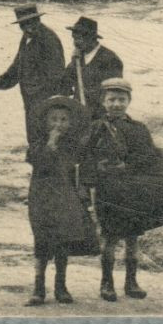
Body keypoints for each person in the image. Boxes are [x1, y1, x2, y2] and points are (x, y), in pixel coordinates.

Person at [79, 78, 163, 302]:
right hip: (108, 192)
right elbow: (85, 158)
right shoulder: (95, 128)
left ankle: (131, 282)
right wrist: (90, 181)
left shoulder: (138, 129)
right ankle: (106, 284)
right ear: (103, 101)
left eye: (121, 99)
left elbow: (148, 159)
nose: (116, 104)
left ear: (129, 101)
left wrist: (128, 166)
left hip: (133, 192)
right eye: (111, 99)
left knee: (133, 239)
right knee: (109, 239)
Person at [24, 95, 96, 305]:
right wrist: (51, 142)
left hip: (65, 197)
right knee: (42, 240)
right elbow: (40, 163)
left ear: (71, 123)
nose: (58, 124)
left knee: (63, 240)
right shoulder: (37, 145)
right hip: (42, 198)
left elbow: (82, 167)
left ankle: (61, 286)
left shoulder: (74, 147)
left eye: (64, 120)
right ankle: (38, 287)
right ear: (45, 122)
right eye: (53, 119)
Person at [0, 4, 67, 144]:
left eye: (31, 22)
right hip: (30, 98)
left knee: (46, 138)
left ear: (38, 20)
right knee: (34, 138)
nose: (28, 27)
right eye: (23, 24)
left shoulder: (49, 39)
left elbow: (56, 74)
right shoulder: (27, 37)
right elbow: (17, 67)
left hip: (45, 100)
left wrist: (45, 99)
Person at [62, 16, 123, 120]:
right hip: (79, 114)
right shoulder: (78, 57)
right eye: (74, 38)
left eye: (79, 38)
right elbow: (66, 81)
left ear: (91, 38)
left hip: (101, 117)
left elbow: (113, 92)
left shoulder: (110, 59)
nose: (75, 43)